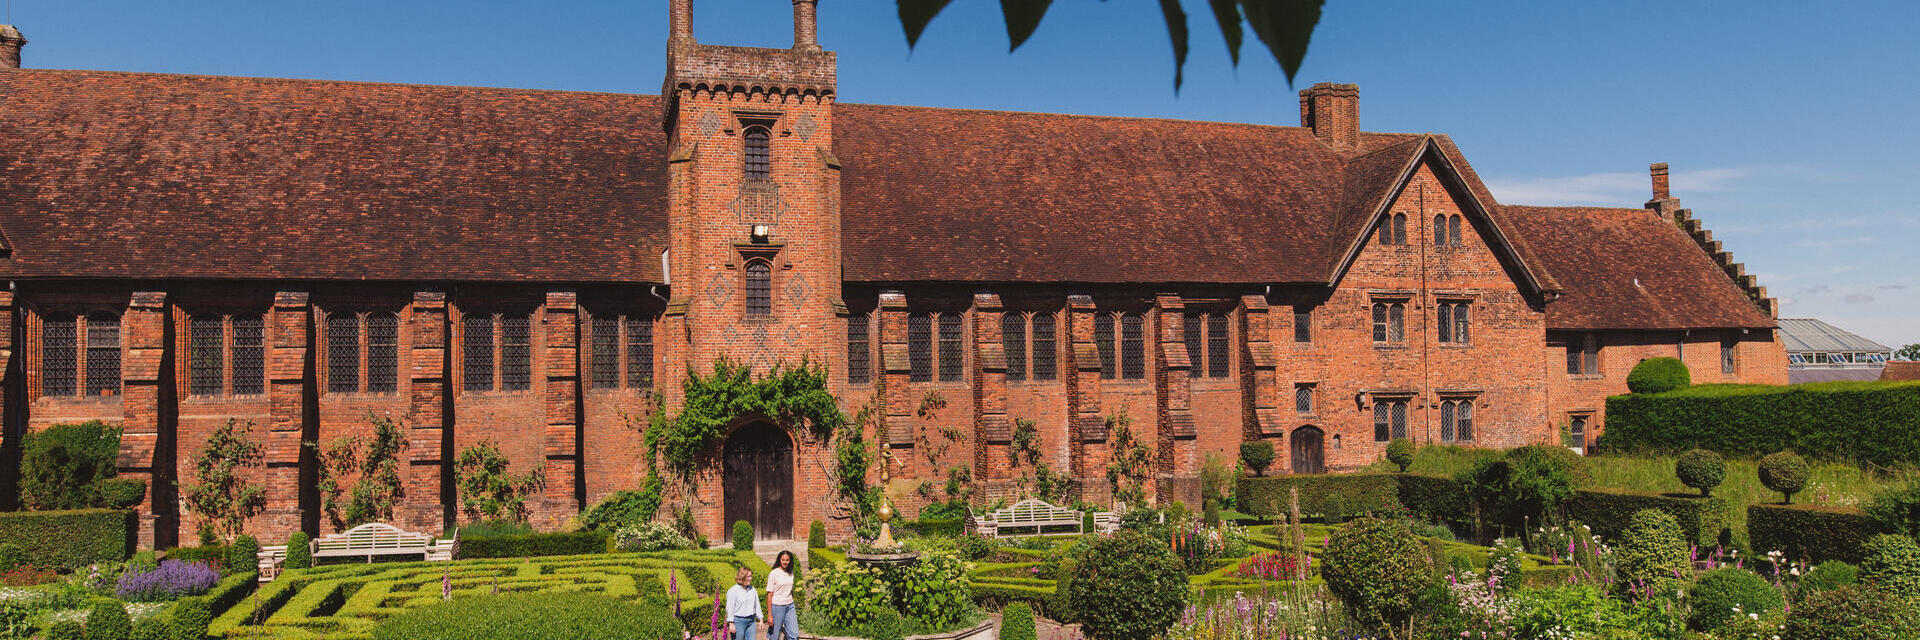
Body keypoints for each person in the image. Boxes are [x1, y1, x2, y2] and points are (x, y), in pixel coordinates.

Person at [765, 551, 800, 640]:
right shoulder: (774, 573)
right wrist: (769, 615)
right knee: (774, 635)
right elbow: (769, 594)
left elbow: (789, 590)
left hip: (790, 606)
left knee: (794, 633)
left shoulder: (791, 573)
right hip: (777, 607)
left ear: (790, 561)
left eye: (787, 560)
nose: (785, 562)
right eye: (783, 560)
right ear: (779, 560)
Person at [725, 566, 762, 640]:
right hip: (738, 622)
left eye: (751, 576)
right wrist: (731, 623)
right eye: (748, 576)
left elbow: (757, 605)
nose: (750, 578)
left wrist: (761, 619)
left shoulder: (753, 589)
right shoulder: (733, 591)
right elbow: (730, 608)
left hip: (751, 621)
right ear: (742, 577)